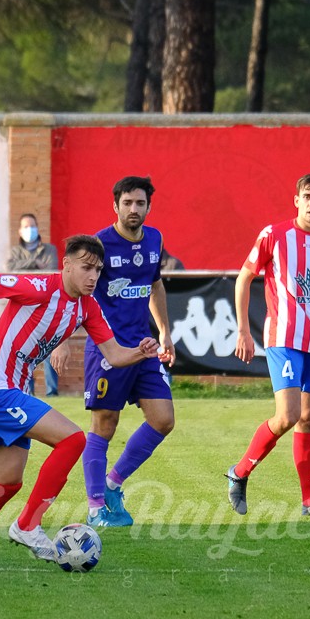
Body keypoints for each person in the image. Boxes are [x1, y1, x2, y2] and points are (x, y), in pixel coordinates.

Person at [0, 235, 162, 568]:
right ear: (66, 265)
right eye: (86, 267)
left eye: (98, 269)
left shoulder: (87, 307)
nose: (93, 276)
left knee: (8, 481)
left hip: (13, 392)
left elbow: (113, 353)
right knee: (73, 439)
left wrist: (141, 351)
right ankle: (28, 525)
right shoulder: (40, 286)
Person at [226, 173, 310, 517]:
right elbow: (244, 278)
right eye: (307, 196)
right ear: (296, 200)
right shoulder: (274, 235)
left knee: (309, 419)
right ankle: (239, 473)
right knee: (288, 415)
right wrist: (243, 330)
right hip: (282, 338)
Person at [68, 176, 176, 527]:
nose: (134, 209)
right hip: (107, 349)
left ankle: (113, 484)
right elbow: (77, 293)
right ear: (115, 206)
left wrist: (163, 333)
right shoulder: (99, 244)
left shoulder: (155, 239)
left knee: (163, 420)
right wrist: (64, 341)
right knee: (104, 425)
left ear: (148, 207)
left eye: (140, 203)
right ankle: (96, 508)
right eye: (127, 203)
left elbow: (155, 285)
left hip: (144, 347)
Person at [6, 213, 61, 396]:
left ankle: (52, 391)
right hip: (23, 305)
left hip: (46, 304)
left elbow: (51, 269)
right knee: (24, 349)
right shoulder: (15, 252)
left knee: (49, 347)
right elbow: (11, 269)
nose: (30, 230)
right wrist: (34, 263)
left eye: (32, 226)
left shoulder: (49, 249)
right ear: (20, 230)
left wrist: (27, 268)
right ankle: (25, 391)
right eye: (26, 227)